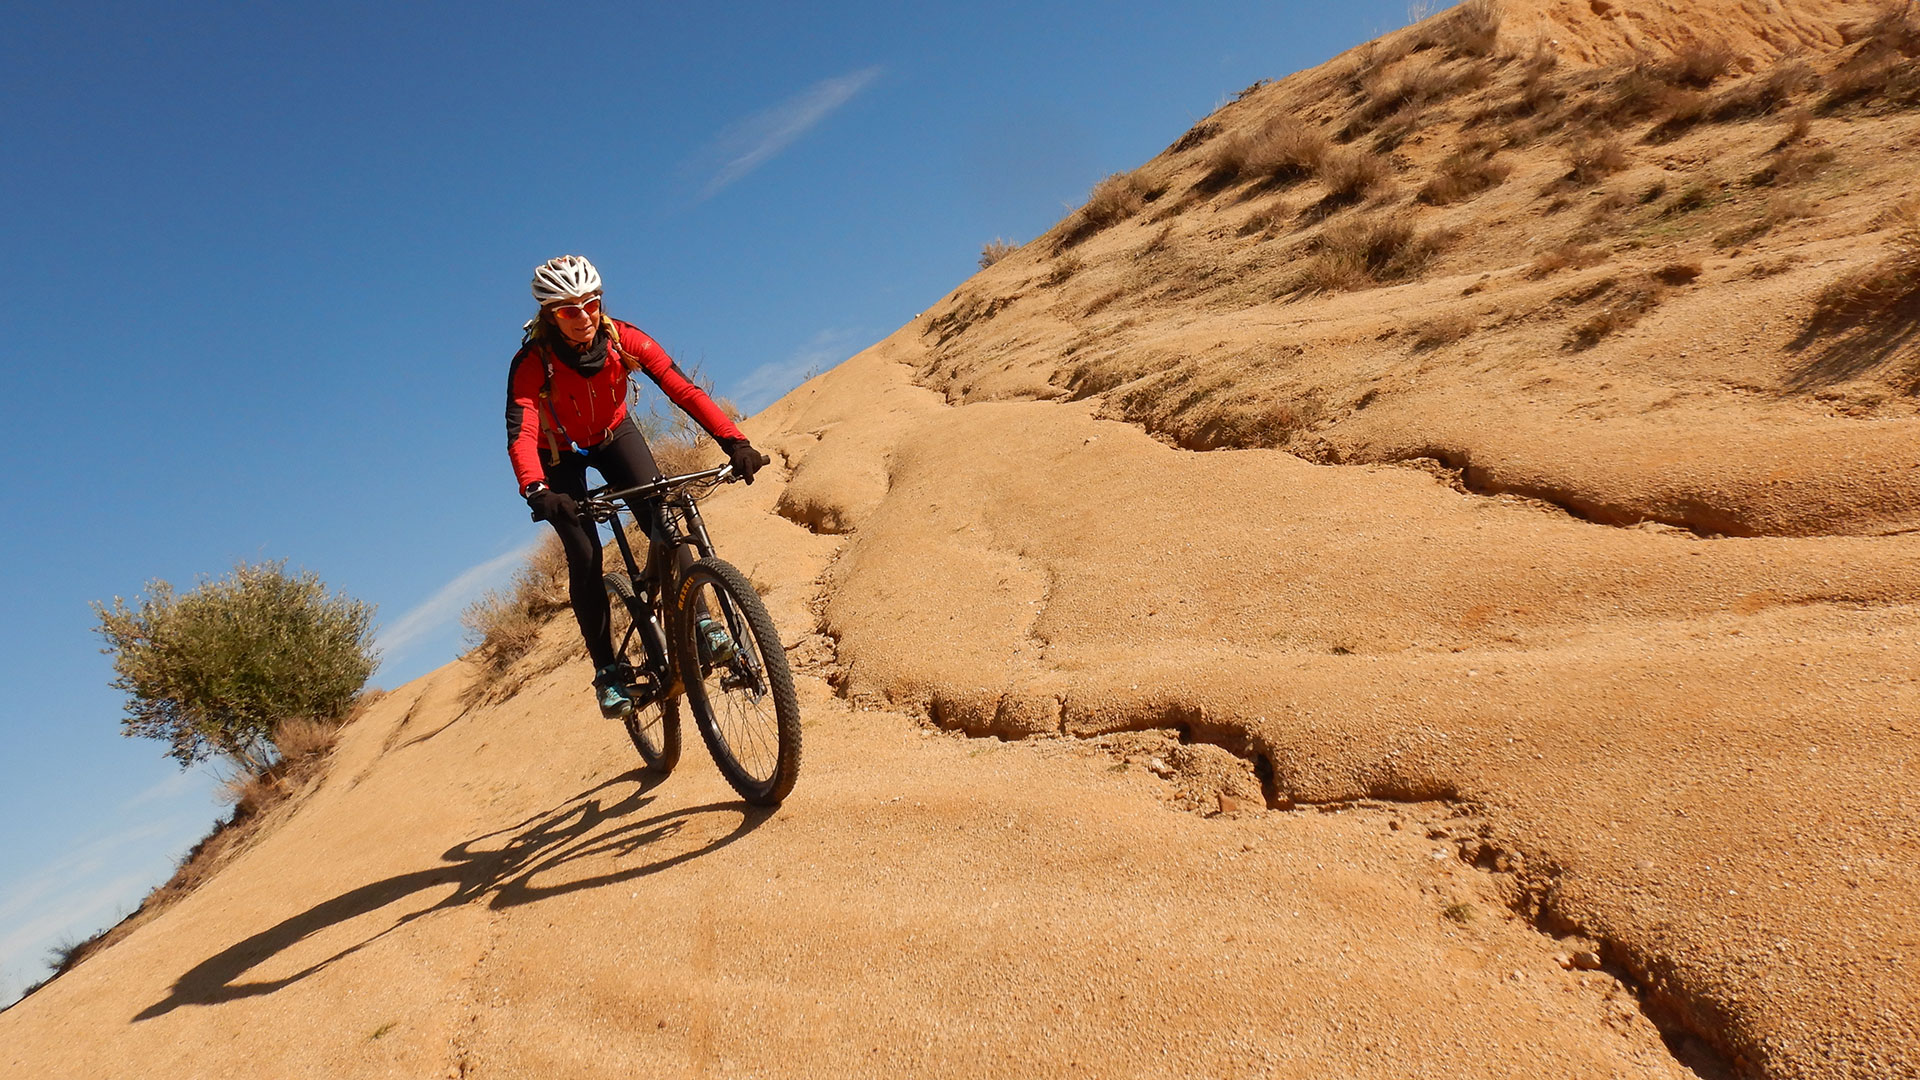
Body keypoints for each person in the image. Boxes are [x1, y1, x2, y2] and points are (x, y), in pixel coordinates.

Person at [505, 254, 769, 717]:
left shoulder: (623, 339)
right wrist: (537, 490)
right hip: (557, 452)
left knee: (662, 516)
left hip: (613, 433)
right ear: (550, 315)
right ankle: (607, 669)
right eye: (569, 310)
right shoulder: (532, 362)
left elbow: (682, 388)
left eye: (591, 303)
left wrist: (736, 440)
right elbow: (522, 430)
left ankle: (703, 624)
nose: (584, 316)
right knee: (583, 554)